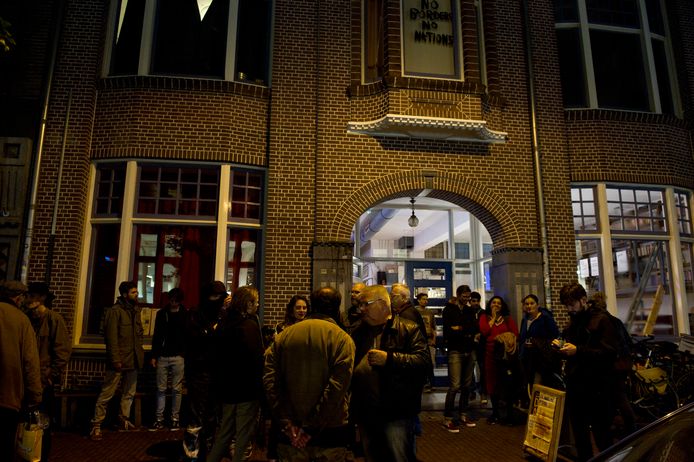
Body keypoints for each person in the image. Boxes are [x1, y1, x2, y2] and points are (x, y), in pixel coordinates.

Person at [264, 287, 356, 462]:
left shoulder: (284, 336)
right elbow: (338, 387)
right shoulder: (343, 339)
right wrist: (314, 425)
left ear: (312, 305)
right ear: (337, 308)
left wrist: (286, 421)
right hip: (330, 432)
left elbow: (270, 380)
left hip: (292, 431)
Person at [350, 285, 430, 462]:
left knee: (399, 455)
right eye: (359, 305)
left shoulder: (408, 329)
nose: (360, 309)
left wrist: (390, 359)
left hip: (396, 411)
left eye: (365, 304)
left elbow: (423, 361)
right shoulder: (356, 332)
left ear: (382, 304)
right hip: (366, 411)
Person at [554, 283, 619, 461]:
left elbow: (609, 353)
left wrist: (578, 351)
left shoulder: (602, 320)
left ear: (583, 300)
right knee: (580, 435)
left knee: (602, 435)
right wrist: (562, 349)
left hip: (597, 387)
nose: (569, 309)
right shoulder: (574, 321)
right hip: (576, 385)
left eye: (572, 305)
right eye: (566, 305)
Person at [208, 285, 265, 462]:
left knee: (224, 433)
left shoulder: (224, 323)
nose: (258, 305)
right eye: (256, 302)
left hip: (227, 389)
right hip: (246, 389)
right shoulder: (249, 326)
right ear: (248, 304)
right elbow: (256, 359)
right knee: (243, 436)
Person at [24, 282, 72, 461]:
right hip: (27, 378)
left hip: (44, 380)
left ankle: (40, 454)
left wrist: (51, 374)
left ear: (42, 298)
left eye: (33, 296)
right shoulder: (26, 318)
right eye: (28, 295)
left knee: (42, 422)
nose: (29, 299)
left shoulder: (53, 319)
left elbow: (62, 350)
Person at [90, 281, 144, 440]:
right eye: (134, 292)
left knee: (129, 392)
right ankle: (96, 424)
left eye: (136, 292)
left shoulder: (135, 311)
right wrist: (115, 359)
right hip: (119, 360)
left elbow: (138, 335)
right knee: (107, 392)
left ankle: (123, 419)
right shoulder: (115, 312)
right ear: (125, 294)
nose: (137, 295)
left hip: (133, 359)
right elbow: (111, 338)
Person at [183, 280, 229, 461]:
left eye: (221, 297)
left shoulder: (223, 316)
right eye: (215, 297)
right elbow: (194, 341)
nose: (218, 301)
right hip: (199, 373)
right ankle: (191, 453)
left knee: (212, 415)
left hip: (217, 374)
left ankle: (208, 450)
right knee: (196, 415)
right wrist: (212, 333)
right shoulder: (195, 315)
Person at [0, 280, 42, 461]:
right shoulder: (22, 321)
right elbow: (30, 362)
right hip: (7, 395)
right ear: (18, 298)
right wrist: (35, 396)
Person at [441, 284, 479, 432]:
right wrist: (464, 330)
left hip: (469, 349)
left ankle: (463, 415)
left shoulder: (469, 310)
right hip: (455, 350)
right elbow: (448, 331)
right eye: (464, 296)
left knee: (466, 385)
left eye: (468, 297)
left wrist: (459, 328)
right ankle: (448, 418)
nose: (467, 299)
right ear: (458, 295)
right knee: (455, 385)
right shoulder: (449, 310)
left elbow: (473, 328)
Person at [150, 287, 187, 431]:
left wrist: (184, 352)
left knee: (176, 389)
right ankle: (160, 419)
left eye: (175, 301)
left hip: (178, 356)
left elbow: (187, 335)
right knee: (162, 389)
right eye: (171, 300)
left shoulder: (185, 314)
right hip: (163, 355)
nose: (173, 303)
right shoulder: (161, 314)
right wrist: (154, 355)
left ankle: (174, 418)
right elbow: (157, 335)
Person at [479, 295, 518, 425]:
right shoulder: (484, 317)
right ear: (490, 304)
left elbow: (515, 334)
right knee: (492, 383)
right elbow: (484, 331)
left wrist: (504, 337)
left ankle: (509, 414)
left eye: (499, 303)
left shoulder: (507, 319)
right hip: (490, 355)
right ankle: (495, 412)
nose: (496, 305)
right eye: (493, 302)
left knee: (506, 383)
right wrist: (494, 317)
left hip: (504, 356)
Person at [518, 294, 560, 397]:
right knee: (530, 385)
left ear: (537, 305)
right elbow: (522, 338)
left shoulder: (545, 318)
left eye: (532, 303)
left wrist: (537, 342)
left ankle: (538, 411)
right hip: (527, 359)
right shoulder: (525, 320)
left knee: (538, 387)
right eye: (526, 304)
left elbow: (555, 336)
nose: (529, 306)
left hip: (542, 359)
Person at [415, 293, 436, 392]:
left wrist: (434, 340)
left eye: (426, 299)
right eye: (423, 299)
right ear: (418, 300)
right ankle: (422, 383)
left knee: (430, 363)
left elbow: (433, 327)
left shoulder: (430, 312)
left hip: (428, 340)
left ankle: (430, 383)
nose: (425, 301)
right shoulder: (415, 312)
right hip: (419, 340)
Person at [470, 291, 487, 404]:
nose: (475, 303)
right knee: (470, 369)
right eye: (473, 301)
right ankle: (471, 391)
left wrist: (481, 333)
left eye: (477, 301)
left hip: (482, 345)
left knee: (482, 368)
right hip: (470, 344)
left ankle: (482, 392)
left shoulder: (484, 313)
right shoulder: (467, 312)